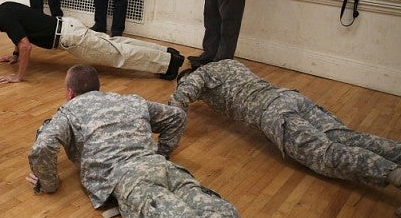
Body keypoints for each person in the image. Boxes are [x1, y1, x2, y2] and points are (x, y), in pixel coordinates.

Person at [27, 64, 343, 218]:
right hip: (167, 171)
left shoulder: (68, 112)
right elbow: (176, 117)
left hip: (134, 183)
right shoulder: (129, 101)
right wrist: (162, 153)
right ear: (97, 87)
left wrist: (49, 184)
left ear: (69, 93)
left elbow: (43, 148)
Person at [169, 60, 401, 201]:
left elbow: (183, 97)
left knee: (324, 154)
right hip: (291, 96)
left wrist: (170, 124)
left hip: (274, 113)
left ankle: (393, 174)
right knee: (346, 137)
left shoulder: (197, 76)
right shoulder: (227, 64)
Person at [0, 0, 183, 83]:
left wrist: (19, 76)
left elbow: (25, 45)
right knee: (116, 43)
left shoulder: (3, 17)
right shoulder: (4, 10)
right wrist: (14, 57)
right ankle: (166, 52)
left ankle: (168, 63)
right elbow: (20, 35)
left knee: (118, 55)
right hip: (68, 27)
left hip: (71, 38)